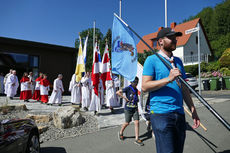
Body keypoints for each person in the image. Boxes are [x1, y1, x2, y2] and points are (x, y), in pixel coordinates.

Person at [142, 27, 200, 153]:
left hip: (179, 114)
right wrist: (169, 79)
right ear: (161, 41)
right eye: (171, 38)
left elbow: (184, 88)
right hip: (161, 114)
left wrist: (193, 110)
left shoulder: (178, 61)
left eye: (175, 38)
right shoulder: (151, 60)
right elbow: (144, 86)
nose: (175, 40)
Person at [116, 77, 144, 146]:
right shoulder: (128, 88)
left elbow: (136, 99)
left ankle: (137, 139)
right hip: (128, 109)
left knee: (137, 122)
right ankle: (120, 132)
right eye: (135, 82)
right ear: (132, 82)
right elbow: (118, 92)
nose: (136, 83)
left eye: (137, 82)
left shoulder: (136, 90)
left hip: (135, 108)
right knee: (127, 123)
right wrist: (124, 97)